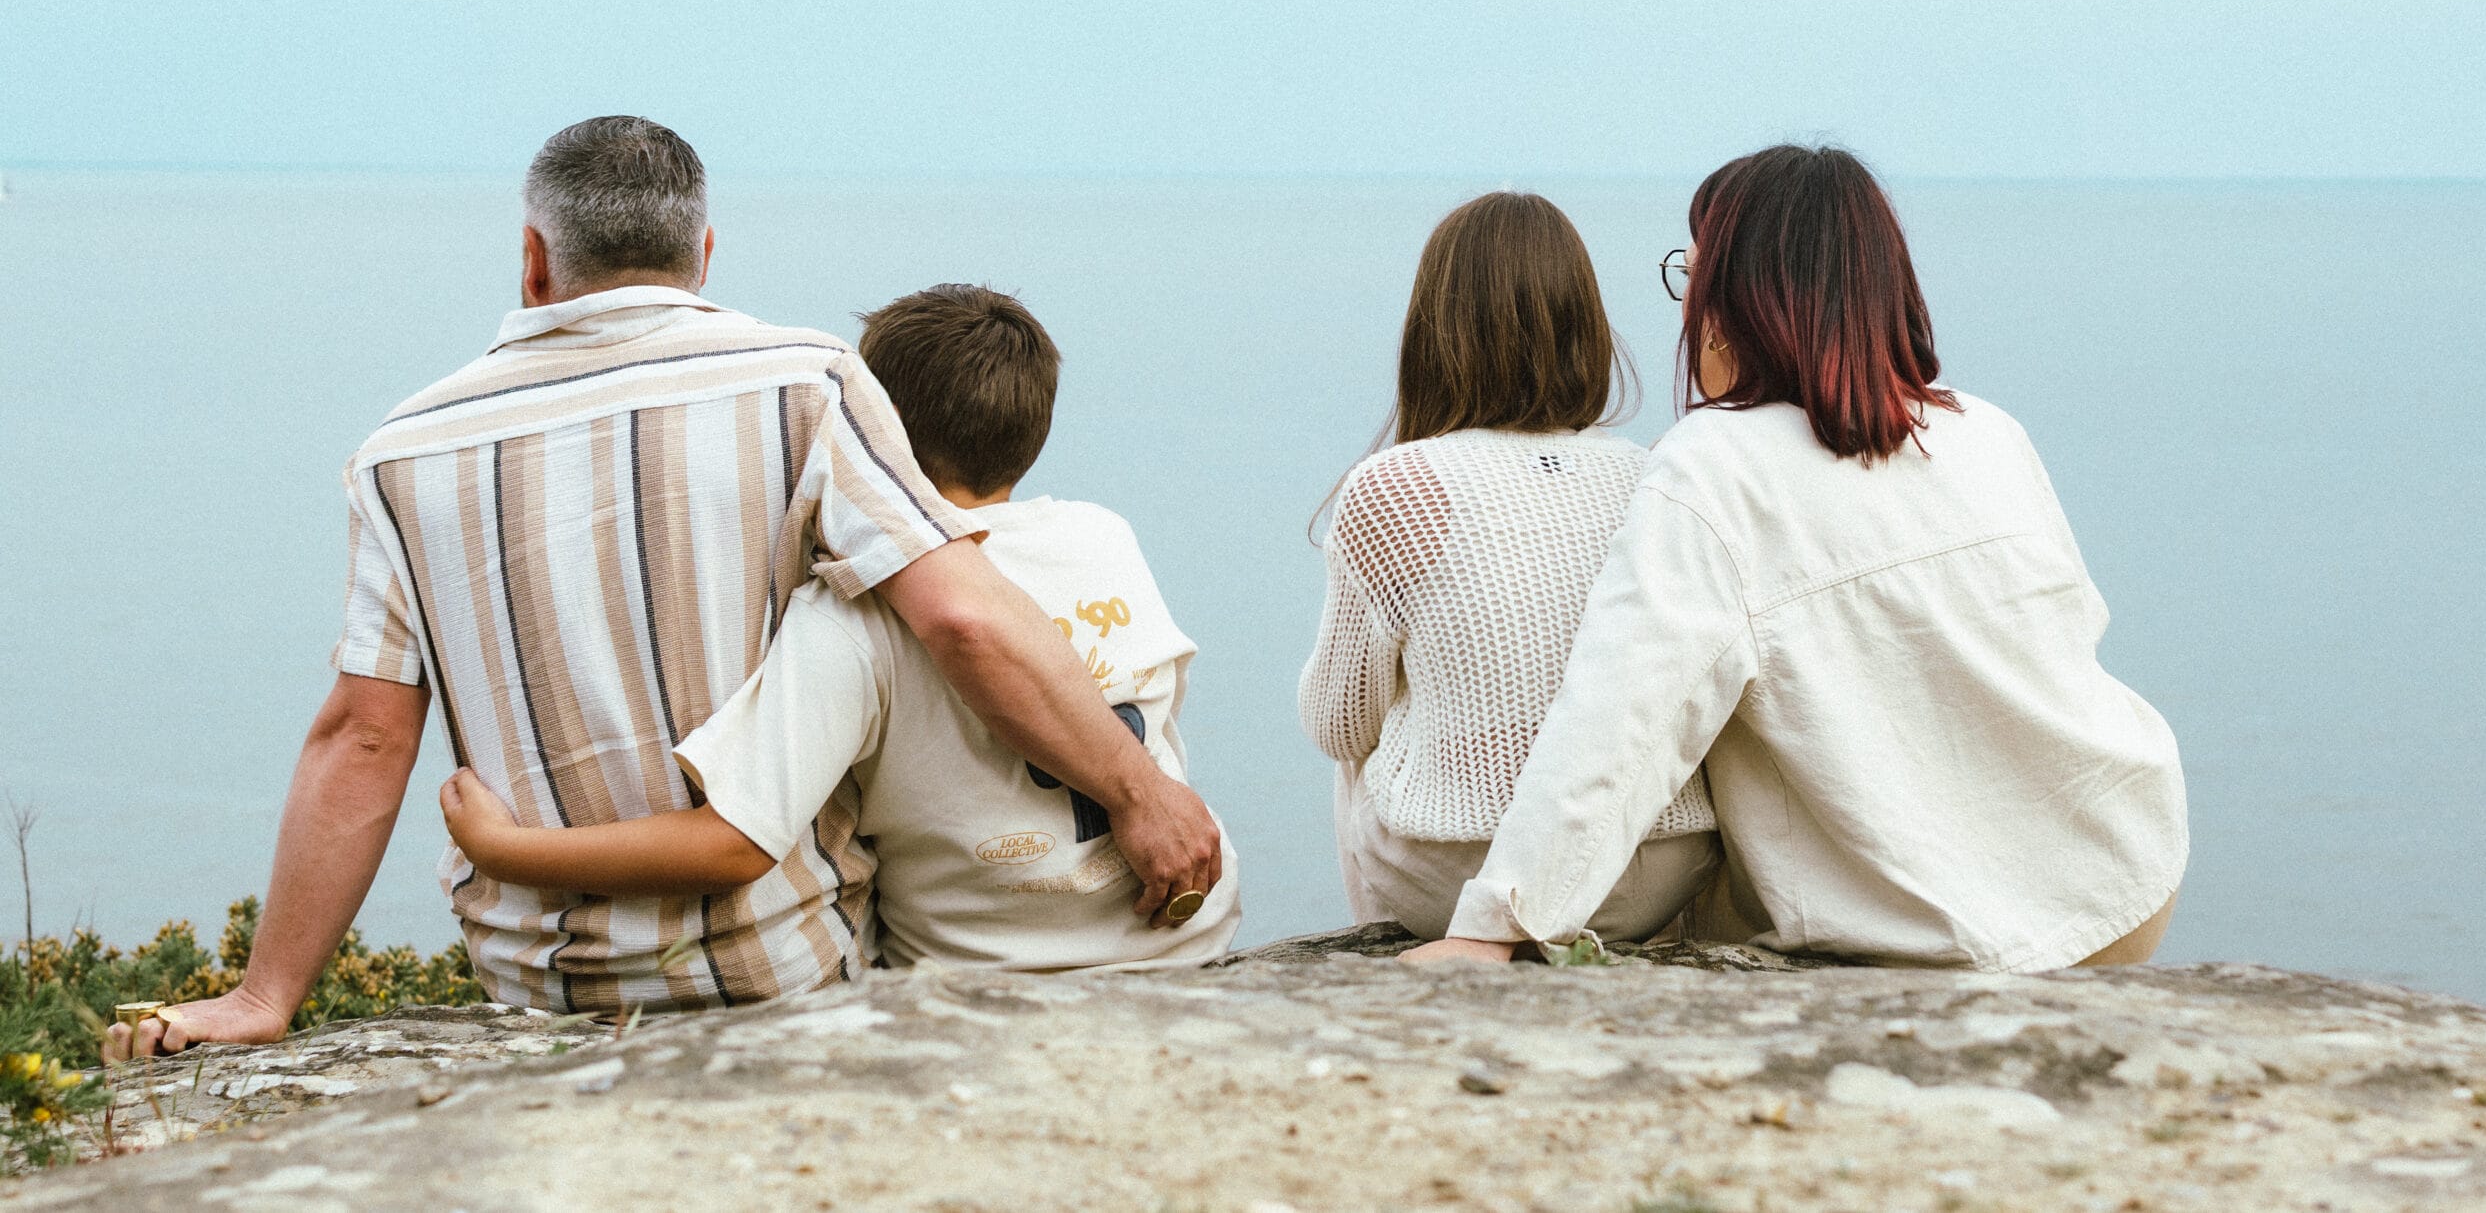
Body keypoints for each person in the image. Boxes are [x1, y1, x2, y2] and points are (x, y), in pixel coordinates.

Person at [110, 119, 1219, 1059]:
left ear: (535, 259)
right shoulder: (807, 380)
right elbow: (964, 615)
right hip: (786, 967)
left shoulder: (401, 453)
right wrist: (1136, 794)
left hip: (538, 986)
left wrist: (267, 997)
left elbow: (362, 737)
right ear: (704, 253)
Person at [1403, 146, 2187, 972]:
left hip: (1961, 930)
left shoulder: (1714, 464)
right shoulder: (1987, 430)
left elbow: (1623, 721)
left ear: (1733, 301)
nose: (1685, 313)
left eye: (1693, 279)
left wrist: (1492, 927)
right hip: (2123, 872)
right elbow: (2069, 633)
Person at [438, 284, 1242, 970]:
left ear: (873, 430)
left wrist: (505, 850)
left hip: (992, 979)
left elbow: (735, 844)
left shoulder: (856, 611)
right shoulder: (1103, 536)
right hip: (1183, 938)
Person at [1299, 192, 1718, 941]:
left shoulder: (1398, 483)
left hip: (1461, 874)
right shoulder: (1647, 472)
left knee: (1361, 756)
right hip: (1659, 862)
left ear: (1433, 330)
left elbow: (1337, 724)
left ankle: (1405, 954)